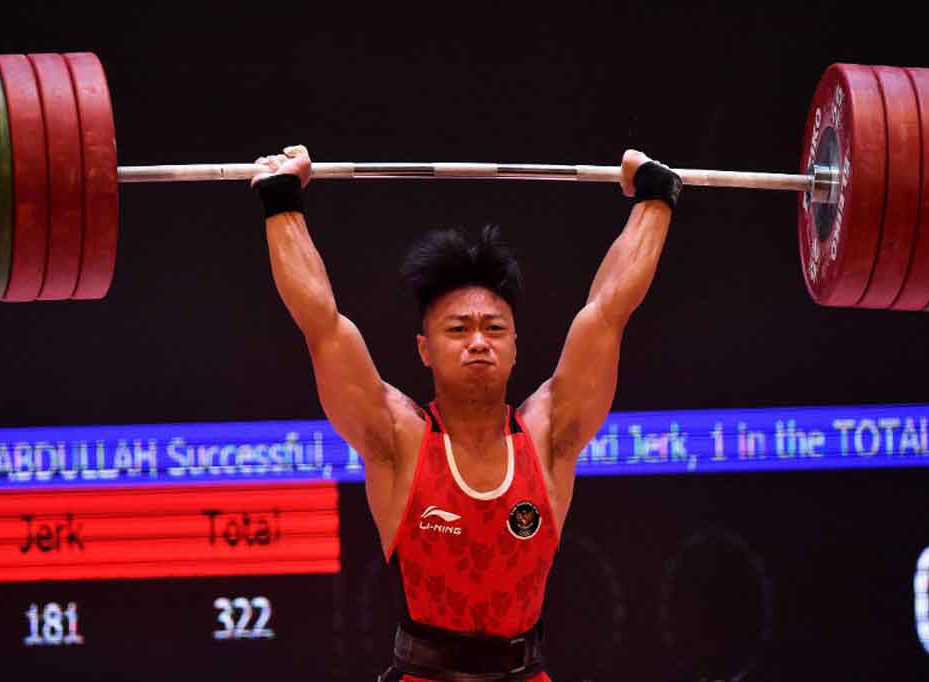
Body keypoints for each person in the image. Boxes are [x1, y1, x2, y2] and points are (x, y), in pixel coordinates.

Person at [251, 146, 680, 681]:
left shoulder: (550, 434)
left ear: (516, 345)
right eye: (458, 329)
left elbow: (609, 311)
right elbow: (321, 322)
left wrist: (656, 198)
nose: (478, 342)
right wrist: (282, 200)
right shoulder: (396, 437)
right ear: (424, 348)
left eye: (494, 329)